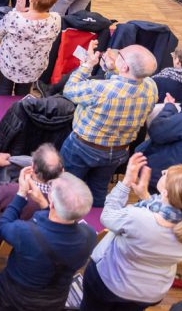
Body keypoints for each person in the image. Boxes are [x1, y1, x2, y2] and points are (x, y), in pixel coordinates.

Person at [82, 156, 182, 310]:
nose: (163, 173)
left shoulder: (137, 217)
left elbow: (107, 216)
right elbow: (163, 226)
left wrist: (126, 181)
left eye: (165, 174)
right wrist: (145, 196)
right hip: (150, 293)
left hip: (111, 283)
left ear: (166, 193)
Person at [60, 41, 158, 206]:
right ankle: (95, 227)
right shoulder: (151, 87)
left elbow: (69, 90)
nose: (116, 52)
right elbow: (122, 84)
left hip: (82, 147)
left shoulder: (100, 89)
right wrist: (112, 69)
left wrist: (87, 64)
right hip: (118, 151)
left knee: (67, 187)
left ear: (125, 67)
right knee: (98, 190)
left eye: (120, 54)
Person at [0, 170, 96, 310]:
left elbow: (2, 226)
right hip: (54, 302)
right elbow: (58, 227)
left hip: (12, 300)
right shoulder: (89, 236)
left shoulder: (26, 233)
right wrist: (42, 202)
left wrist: (21, 193)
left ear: (52, 204)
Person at [0, 0, 62, 96]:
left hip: (9, 64)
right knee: (23, 95)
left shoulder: (15, 18)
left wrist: (16, 11)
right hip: (33, 67)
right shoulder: (56, 20)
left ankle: (1, 114)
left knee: (3, 93)